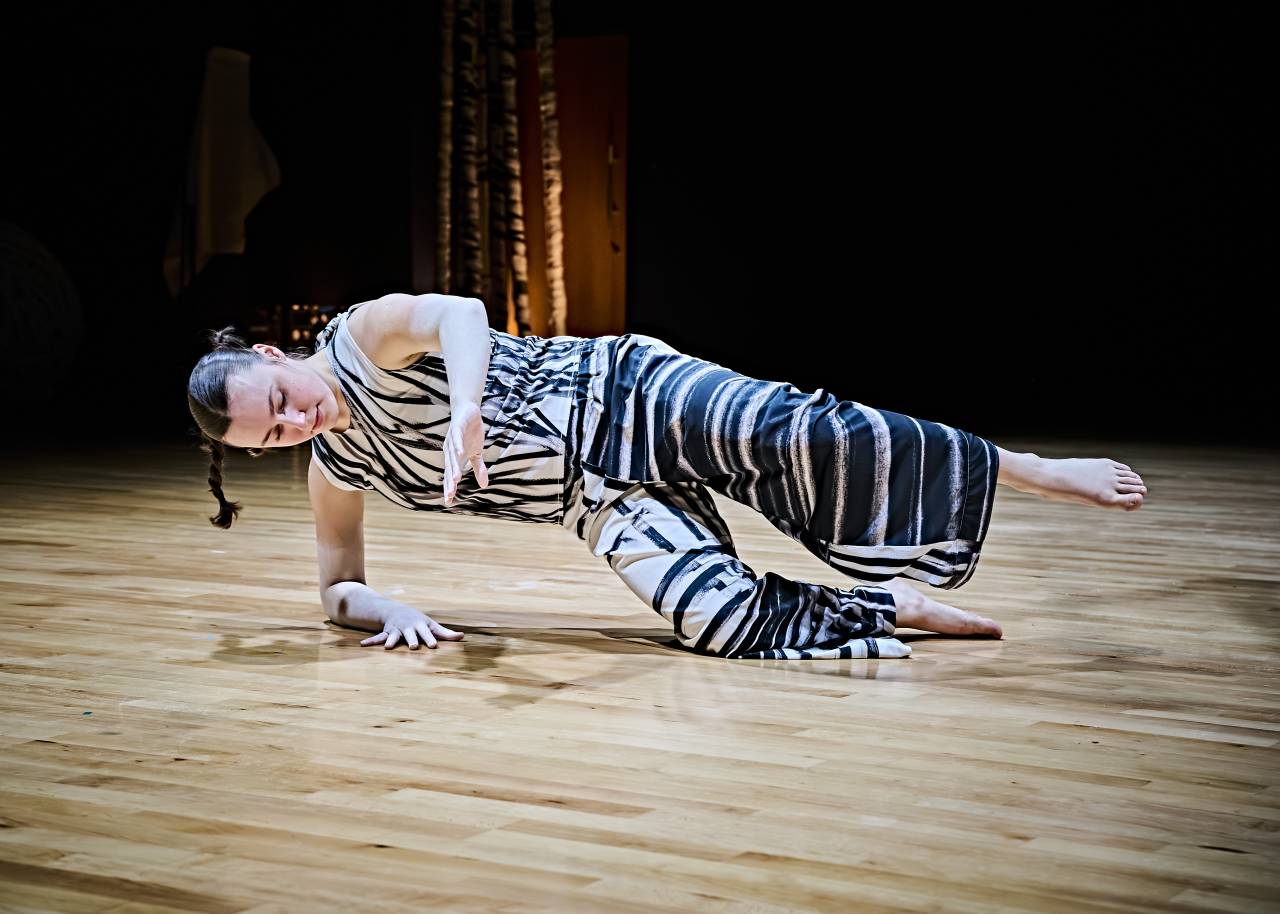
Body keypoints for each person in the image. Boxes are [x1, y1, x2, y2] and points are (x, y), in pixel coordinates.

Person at [186, 293, 1148, 660]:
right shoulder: (338, 464)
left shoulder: (357, 337)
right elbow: (336, 589)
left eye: (280, 400)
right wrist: (383, 606)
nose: (292, 423)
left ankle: (1025, 468)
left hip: (623, 390)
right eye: (269, 439)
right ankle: (891, 605)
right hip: (595, 497)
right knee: (712, 618)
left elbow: (460, 314)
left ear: (275, 353)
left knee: (798, 433)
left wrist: (471, 405)